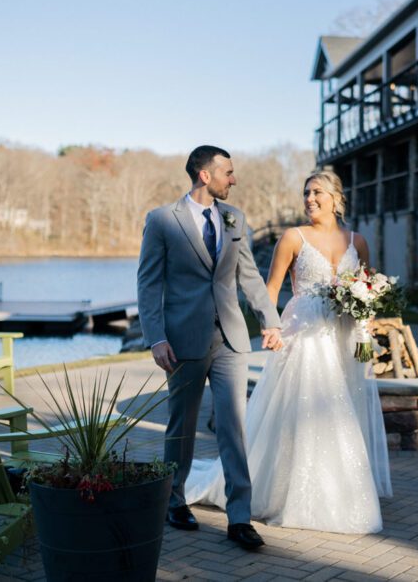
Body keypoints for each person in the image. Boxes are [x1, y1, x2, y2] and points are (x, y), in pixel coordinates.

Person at [183, 169, 392, 534]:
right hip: (305, 333)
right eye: (306, 193)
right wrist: (272, 328)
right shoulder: (293, 238)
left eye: (317, 193)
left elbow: (366, 285)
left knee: (345, 406)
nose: (310, 199)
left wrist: (365, 320)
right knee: (305, 408)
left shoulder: (356, 241)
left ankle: (344, 486)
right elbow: (272, 288)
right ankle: (295, 492)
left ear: (335, 198)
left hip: (343, 334)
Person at [136, 145, 283, 551]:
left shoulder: (235, 218)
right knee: (181, 425)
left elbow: (249, 277)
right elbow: (148, 284)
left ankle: (240, 516)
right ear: (205, 175)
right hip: (182, 340)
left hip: (232, 340)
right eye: (228, 172)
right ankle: (175, 500)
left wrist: (270, 320)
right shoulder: (163, 220)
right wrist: (157, 337)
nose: (233, 179)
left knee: (234, 425)